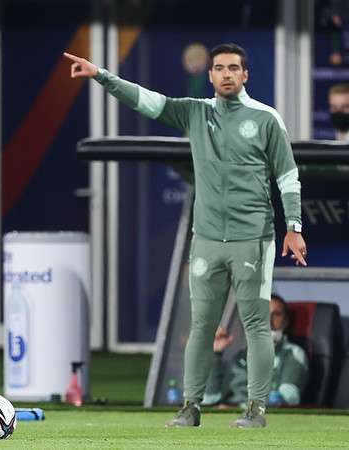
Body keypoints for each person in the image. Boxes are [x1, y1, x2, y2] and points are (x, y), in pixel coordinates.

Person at [65, 43, 307, 428]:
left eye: (233, 68)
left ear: (245, 75)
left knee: (256, 324)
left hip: (253, 237)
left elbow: (288, 176)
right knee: (200, 326)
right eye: (219, 68)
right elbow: (146, 100)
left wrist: (293, 226)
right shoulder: (194, 112)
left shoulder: (266, 118)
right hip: (206, 238)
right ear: (209, 75)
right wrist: (101, 76)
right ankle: (191, 407)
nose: (226, 74)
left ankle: (256, 410)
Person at [204, 294, 308, 407]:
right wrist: (214, 354)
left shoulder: (293, 353)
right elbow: (210, 398)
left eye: (276, 314)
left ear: (286, 321)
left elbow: (287, 399)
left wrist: (236, 409)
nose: (268, 320)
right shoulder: (240, 357)